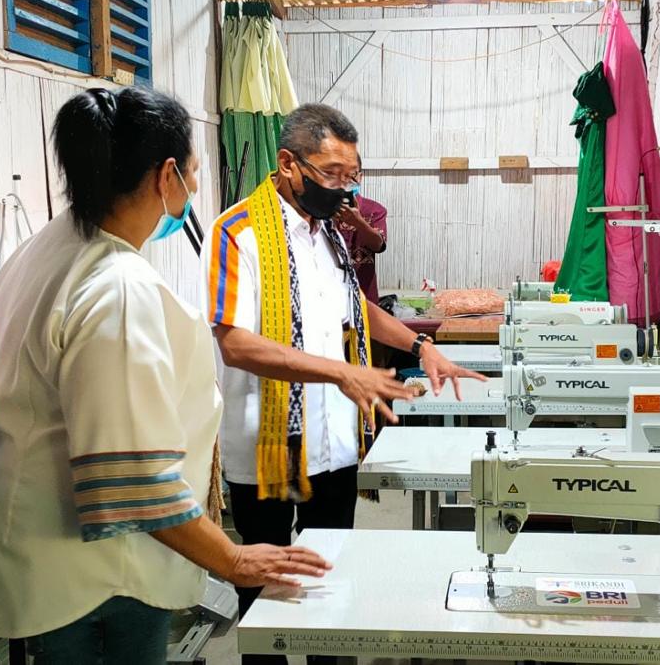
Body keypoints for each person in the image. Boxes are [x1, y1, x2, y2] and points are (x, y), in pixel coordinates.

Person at [0, 87, 331, 665]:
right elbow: (130, 481)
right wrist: (234, 560)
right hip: (93, 570)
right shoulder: (118, 290)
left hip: (37, 541)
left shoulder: (45, 248)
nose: (198, 189)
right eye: (195, 172)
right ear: (166, 177)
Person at [203, 103, 484, 664]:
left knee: (332, 586)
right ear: (288, 164)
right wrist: (340, 371)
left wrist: (422, 347)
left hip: (332, 444)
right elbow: (234, 343)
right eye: (330, 174)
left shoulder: (328, 233)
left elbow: (359, 308)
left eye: (351, 176)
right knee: (267, 600)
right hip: (267, 449)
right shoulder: (237, 233)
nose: (342, 188)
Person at [335, 156, 387, 305]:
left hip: (365, 297)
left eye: (351, 174)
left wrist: (359, 222)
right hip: (330, 298)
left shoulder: (375, 211)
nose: (345, 180)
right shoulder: (320, 211)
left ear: (360, 176)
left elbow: (379, 246)